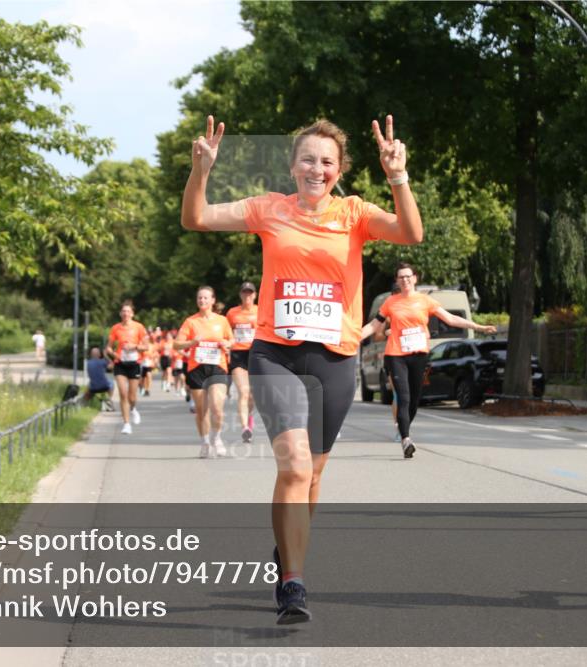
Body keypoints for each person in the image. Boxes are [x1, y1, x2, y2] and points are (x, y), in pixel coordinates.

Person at [182, 114, 423, 623]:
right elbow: (197, 217)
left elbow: (410, 233)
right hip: (276, 354)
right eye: (309, 159)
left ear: (339, 171)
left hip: (335, 358)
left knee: (312, 476)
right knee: (292, 465)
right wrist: (200, 171)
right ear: (293, 166)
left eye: (328, 162)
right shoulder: (269, 209)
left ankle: (286, 549)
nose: (318, 168)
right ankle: (292, 582)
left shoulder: (355, 213)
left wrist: (397, 175)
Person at [360, 263, 496, 457]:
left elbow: (450, 319)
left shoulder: (426, 301)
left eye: (408, 276)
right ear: (397, 281)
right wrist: (353, 337)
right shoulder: (391, 302)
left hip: (418, 355)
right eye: (401, 277)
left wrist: (479, 327)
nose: (405, 280)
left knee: (414, 400)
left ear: (415, 278)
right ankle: (406, 439)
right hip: (396, 355)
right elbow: (374, 326)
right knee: (403, 397)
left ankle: (404, 426)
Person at [175, 286, 234, 458]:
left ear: (213, 300)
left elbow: (232, 340)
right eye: (200, 298)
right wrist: (192, 342)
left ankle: (217, 438)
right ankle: (205, 441)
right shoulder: (191, 322)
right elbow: (177, 344)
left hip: (217, 366)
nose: (202, 301)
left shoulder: (222, 321)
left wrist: (226, 344)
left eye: (206, 298)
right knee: (202, 410)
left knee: (217, 406)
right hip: (197, 369)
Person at [106, 301, 149, 434]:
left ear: (132, 314)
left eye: (128, 311)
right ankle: (126, 424)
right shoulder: (115, 328)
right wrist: (113, 354)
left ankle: (133, 409)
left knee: (132, 396)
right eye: (123, 311)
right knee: (123, 394)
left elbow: (146, 346)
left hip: (134, 363)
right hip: (120, 364)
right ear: (120, 314)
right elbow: (108, 347)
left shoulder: (139, 327)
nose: (126, 314)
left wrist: (134, 347)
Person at [226, 282, 259, 443]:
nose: (247, 296)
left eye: (250, 293)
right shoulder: (232, 313)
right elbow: (226, 333)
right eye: (244, 293)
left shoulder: (261, 311)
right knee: (243, 392)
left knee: (252, 396)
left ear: (254, 295)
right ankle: (245, 427)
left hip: (256, 354)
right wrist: (226, 343)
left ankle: (249, 417)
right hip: (238, 354)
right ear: (240, 295)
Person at [84, 346, 115, 411]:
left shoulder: (88, 363)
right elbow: (112, 366)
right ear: (100, 354)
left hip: (93, 388)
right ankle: (109, 399)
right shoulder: (103, 361)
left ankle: (86, 403)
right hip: (104, 387)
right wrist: (106, 355)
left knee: (89, 385)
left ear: (91, 355)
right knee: (112, 382)